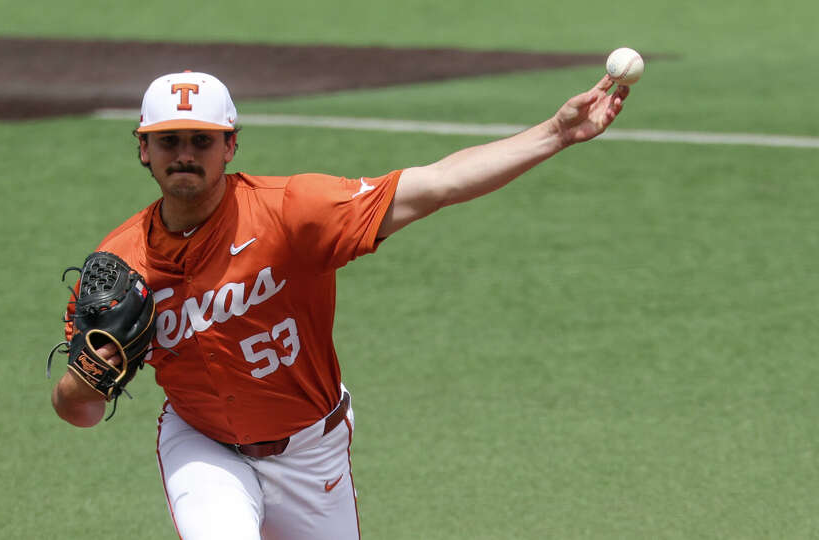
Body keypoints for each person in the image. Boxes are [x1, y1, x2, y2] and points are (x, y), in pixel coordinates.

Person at [50, 70, 630, 539]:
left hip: (311, 450)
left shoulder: (292, 211)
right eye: (168, 141)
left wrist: (555, 132)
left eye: (201, 140)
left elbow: (436, 185)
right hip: (202, 446)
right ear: (143, 150)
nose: (185, 154)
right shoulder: (118, 268)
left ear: (229, 145)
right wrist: (87, 375)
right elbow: (80, 412)